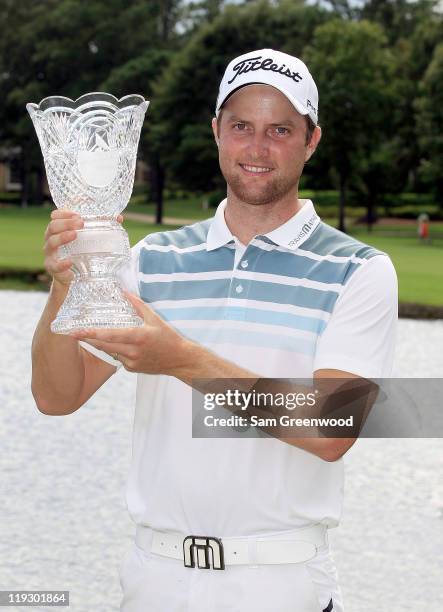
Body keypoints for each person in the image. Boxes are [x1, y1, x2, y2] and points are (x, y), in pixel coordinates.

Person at [31, 49, 398, 612]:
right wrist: (66, 284)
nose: (257, 147)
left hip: (281, 583)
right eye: (241, 127)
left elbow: (332, 429)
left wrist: (178, 358)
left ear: (312, 140)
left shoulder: (360, 270)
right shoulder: (152, 259)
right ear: (217, 132)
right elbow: (57, 396)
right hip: (153, 580)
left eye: (280, 129)